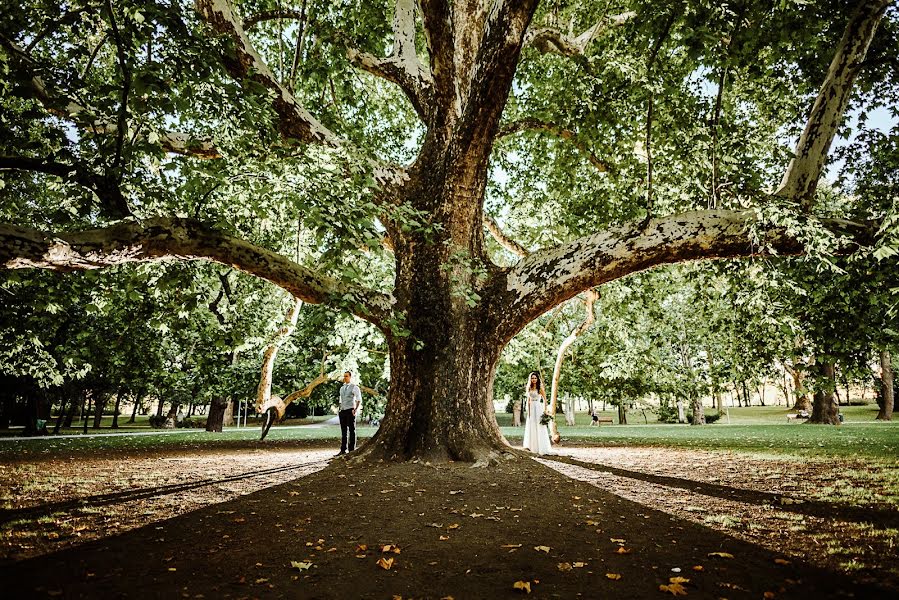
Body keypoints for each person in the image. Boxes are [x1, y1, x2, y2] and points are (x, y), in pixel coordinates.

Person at [522, 371, 553, 455]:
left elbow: (545, 400)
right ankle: (532, 447)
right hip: (531, 408)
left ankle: (541, 447)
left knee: (539, 426)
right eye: (532, 378)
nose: (534, 379)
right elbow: (528, 400)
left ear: (537, 379)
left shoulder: (540, 388)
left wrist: (546, 410)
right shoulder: (529, 388)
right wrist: (528, 411)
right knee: (531, 425)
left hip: (538, 407)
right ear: (530, 379)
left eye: (535, 378)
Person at [336, 371, 362, 456]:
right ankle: (343, 449)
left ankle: (351, 450)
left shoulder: (354, 387)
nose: (345, 378)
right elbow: (341, 400)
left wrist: (355, 409)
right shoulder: (342, 388)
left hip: (350, 410)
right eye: (344, 376)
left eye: (346, 376)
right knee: (343, 431)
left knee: (352, 430)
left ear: (350, 377)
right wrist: (339, 409)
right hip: (342, 411)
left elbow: (358, 399)